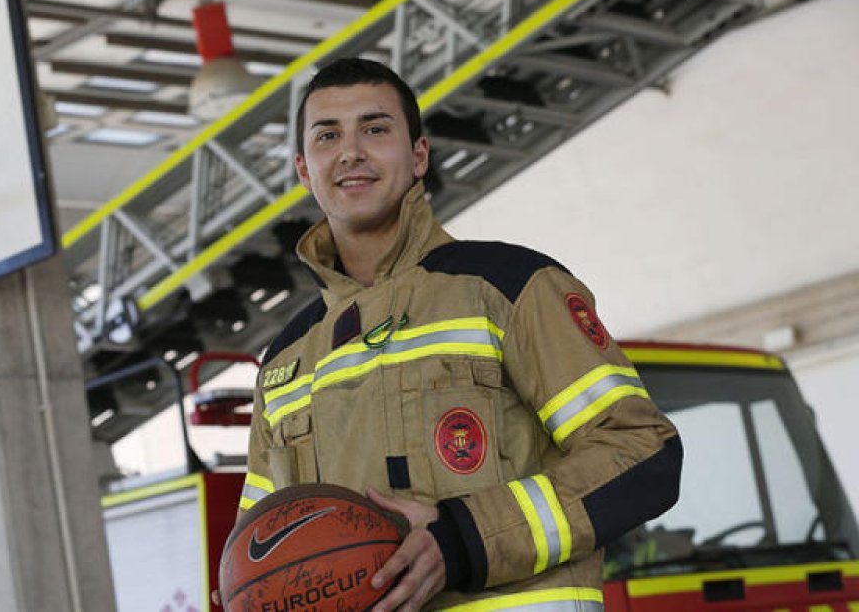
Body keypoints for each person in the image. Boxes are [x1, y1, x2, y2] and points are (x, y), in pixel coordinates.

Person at [236, 57, 683, 611]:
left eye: (375, 129)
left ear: (418, 155)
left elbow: (644, 454)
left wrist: (465, 539)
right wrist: (250, 591)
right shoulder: (285, 361)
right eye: (328, 136)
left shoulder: (508, 287)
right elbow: (261, 535)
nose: (350, 151)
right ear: (305, 171)